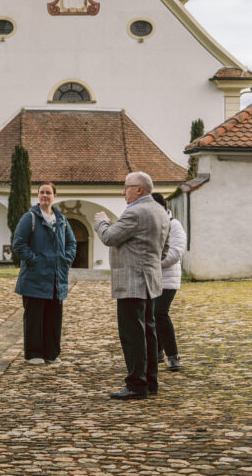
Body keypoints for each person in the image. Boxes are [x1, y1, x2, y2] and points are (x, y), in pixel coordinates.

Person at [94, 171, 169, 400]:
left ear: (139, 189)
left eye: (126, 187)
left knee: (132, 334)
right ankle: (150, 381)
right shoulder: (160, 211)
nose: (123, 192)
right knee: (148, 332)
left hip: (132, 282)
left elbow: (109, 237)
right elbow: (164, 249)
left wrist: (101, 221)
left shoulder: (135, 212)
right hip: (150, 281)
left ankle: (136, 384)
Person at [12, 182, 77, 365]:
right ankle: (33, 354)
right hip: (34, 277)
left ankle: (51, 354)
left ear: (54, 196)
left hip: (56, 279)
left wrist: (65, 259)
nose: (45, 195)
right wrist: (35, 260)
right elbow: (18, 243)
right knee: (35, 318)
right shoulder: (30, 218)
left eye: (48, 192)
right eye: (42, 192)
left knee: (53, 318)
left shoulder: (62, 220)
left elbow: (71, 243)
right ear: (38, 195)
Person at [151, 192, 187, 371]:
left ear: (162, 207)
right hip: (151, 278)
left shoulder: (174, 225)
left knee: (160, 313)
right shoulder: (150, 224)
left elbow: (176, 252)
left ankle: (173, 356)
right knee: (151, 315)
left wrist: (152, 263)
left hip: (167, 278)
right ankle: (157, 352)